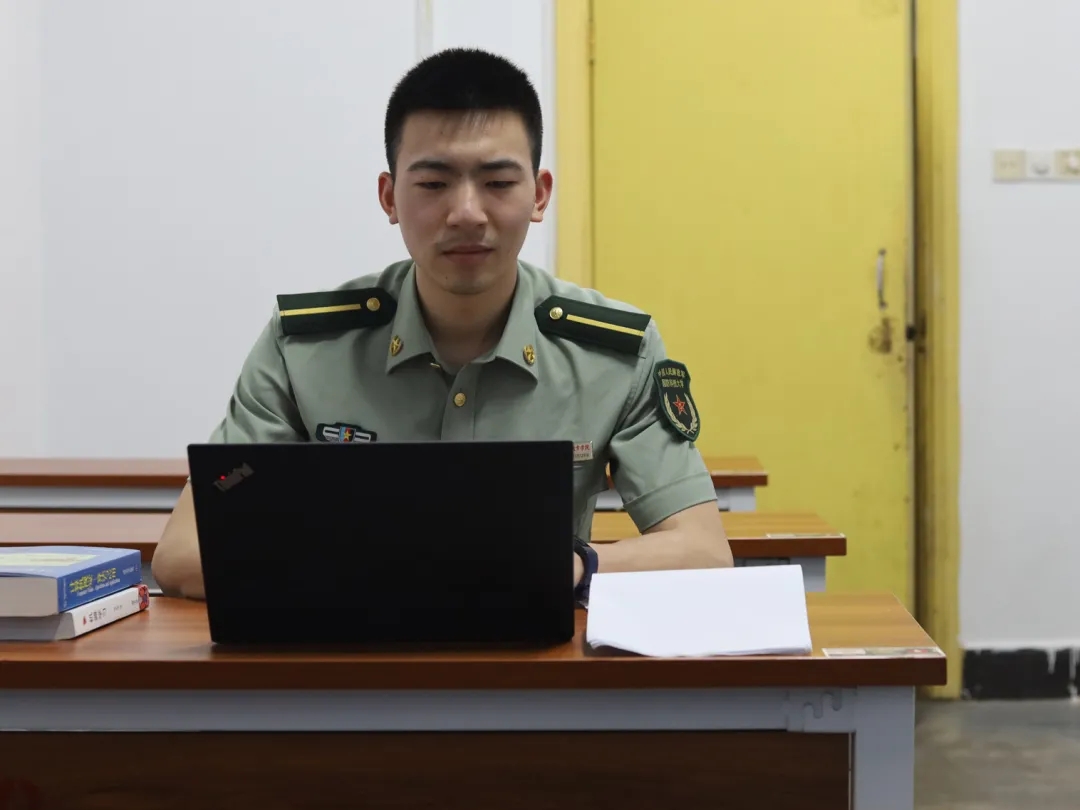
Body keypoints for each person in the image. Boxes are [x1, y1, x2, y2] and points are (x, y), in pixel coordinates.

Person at [152, 47, 733, 600]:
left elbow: (703, 551)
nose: (466, 213)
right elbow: (183, 551)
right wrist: (410, 566)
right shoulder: (305, 347)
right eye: (433, 184)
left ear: (539, 195)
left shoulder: (615, 353)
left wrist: (570, 564)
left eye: (498, 183)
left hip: (536, 654)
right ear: (389, 197)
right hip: (349, 655)